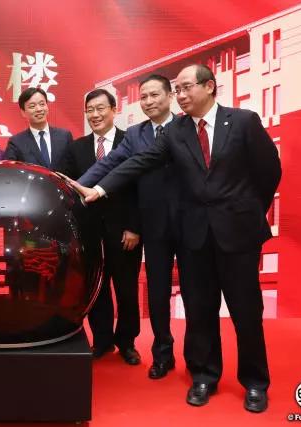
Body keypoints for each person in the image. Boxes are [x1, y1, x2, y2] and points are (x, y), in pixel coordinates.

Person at [70, 64, 281, 413]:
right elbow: (140, 160)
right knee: (200, 310)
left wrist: (247, 209)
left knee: (246, 311)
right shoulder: (176, 130)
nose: (180, 95)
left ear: (209, 86)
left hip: (237, 234)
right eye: (178, 89)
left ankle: (255, 382)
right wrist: (99, 189)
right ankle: (204, 375)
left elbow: (269, 170)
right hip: (194, 234)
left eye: (185, 88)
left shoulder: (243, 121)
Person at [78, 75, 182, 379]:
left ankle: (200, 360)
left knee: (197, 295)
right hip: (155, 226)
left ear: (170, 96)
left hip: (190, 223)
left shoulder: (187, 127)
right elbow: (110, 163)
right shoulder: (136, 134)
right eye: (143, 96)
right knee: (158, 294)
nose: (148, 101)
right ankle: (162, 355)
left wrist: (100, 191)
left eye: (154, 95)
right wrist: (77, 186)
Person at [61, 89, 143, 365]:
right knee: (97, 289)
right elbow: (69, 188)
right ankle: (102, 340)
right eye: (90, 110)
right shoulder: (76, 148)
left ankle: (127, 342)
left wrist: (134, 226)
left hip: (124, 232)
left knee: (127, 289)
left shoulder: (130, 141)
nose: (95, 115)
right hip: (89, 233)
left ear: (113, 109)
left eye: (100, 109)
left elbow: (139, 189)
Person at [4, 87, 72, 171]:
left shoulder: (64, 136)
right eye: (32, 106)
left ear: (47, 106)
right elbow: (9, 172)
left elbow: (73, 167)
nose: (39, 109)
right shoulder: (16, 142)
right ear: (23, 112)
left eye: (42, 104)